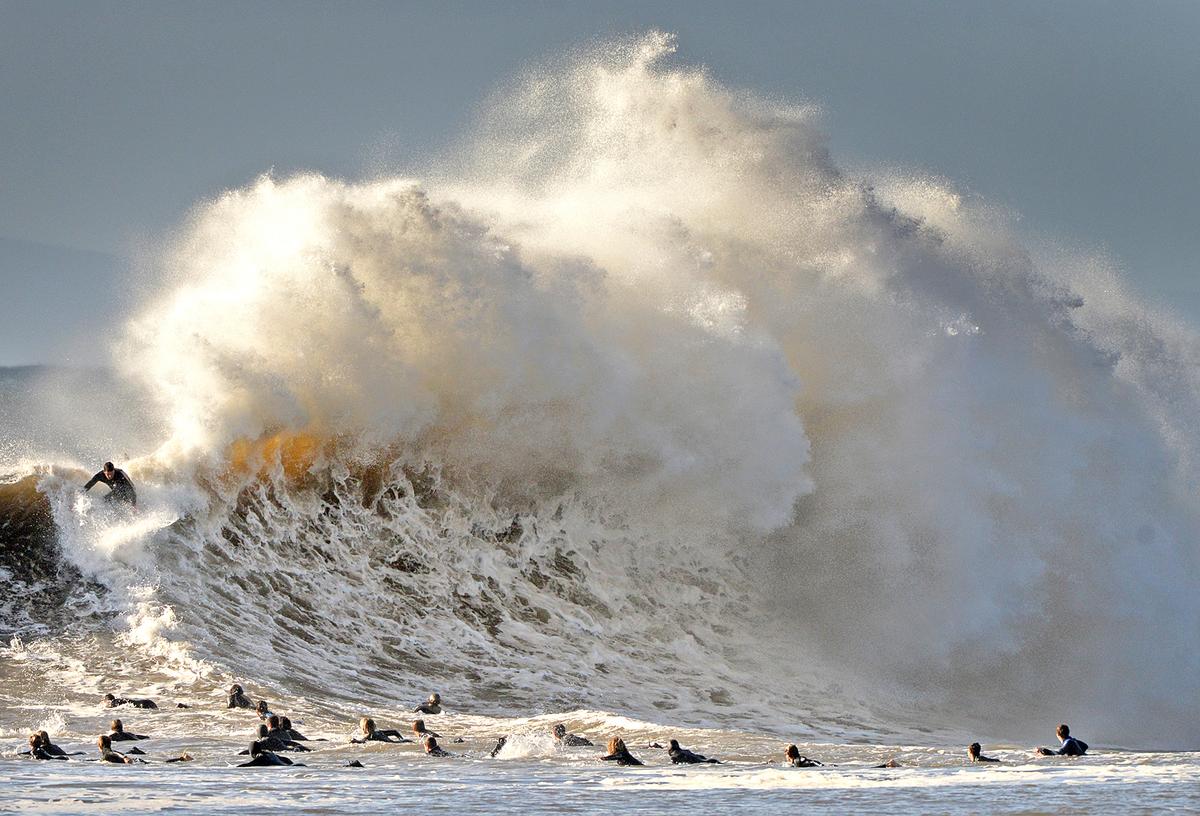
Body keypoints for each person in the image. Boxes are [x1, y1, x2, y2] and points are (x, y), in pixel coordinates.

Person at [237, 740, 301, 767]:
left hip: (287, 767)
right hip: (296, 765)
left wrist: (238, 767)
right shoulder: (269, 753)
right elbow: (286, 759)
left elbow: (252, 763)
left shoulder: (260, 756)